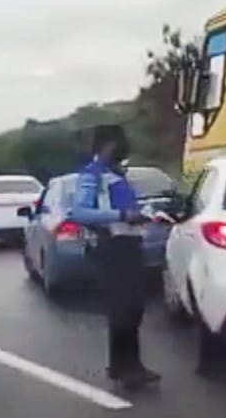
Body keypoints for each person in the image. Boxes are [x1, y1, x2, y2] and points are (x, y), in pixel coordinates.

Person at [68, 125, 160, 390]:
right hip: (111, 246)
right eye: (116, 143)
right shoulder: (93, 175)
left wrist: (145, 213)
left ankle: (129, 364)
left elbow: (129, 206)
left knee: (134, 306)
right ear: (105, 145)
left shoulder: (116, 174)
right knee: (123, 307)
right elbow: (80, 213)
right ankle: (125, 367)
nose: (121, 148)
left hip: (130, 243)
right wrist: (121, 216)